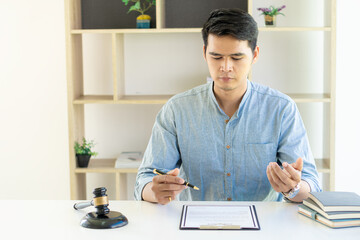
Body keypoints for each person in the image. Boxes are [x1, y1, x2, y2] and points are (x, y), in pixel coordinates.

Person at [134, 8, 321, 205]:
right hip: (197, 223)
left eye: (236, 57)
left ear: (255, 55)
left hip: (264, 225)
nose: (225, 67)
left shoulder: (281, 109)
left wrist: (294, 189)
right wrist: (154, 190)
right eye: (216, 57)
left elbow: (312, 183)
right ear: (204, 53)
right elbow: (144, 179)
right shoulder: (176, 110)